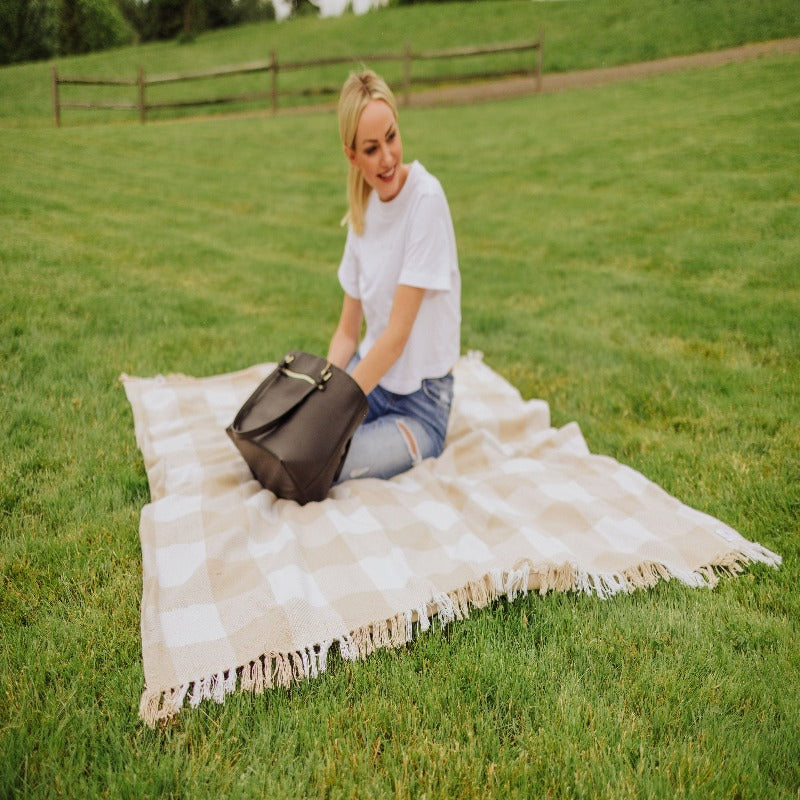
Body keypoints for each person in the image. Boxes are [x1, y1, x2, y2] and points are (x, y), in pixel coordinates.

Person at [327, 69, 461, 483]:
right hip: (372, 380)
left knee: (323, 464)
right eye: (371, 148)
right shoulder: (363, 212)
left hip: (420, 406)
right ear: (352, 155)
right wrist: (322, 394)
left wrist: (335, 408)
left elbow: (397, 335)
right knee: (296, 443)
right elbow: (348, 333)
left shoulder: (425, 200)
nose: (387, 156)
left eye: (391, 136)